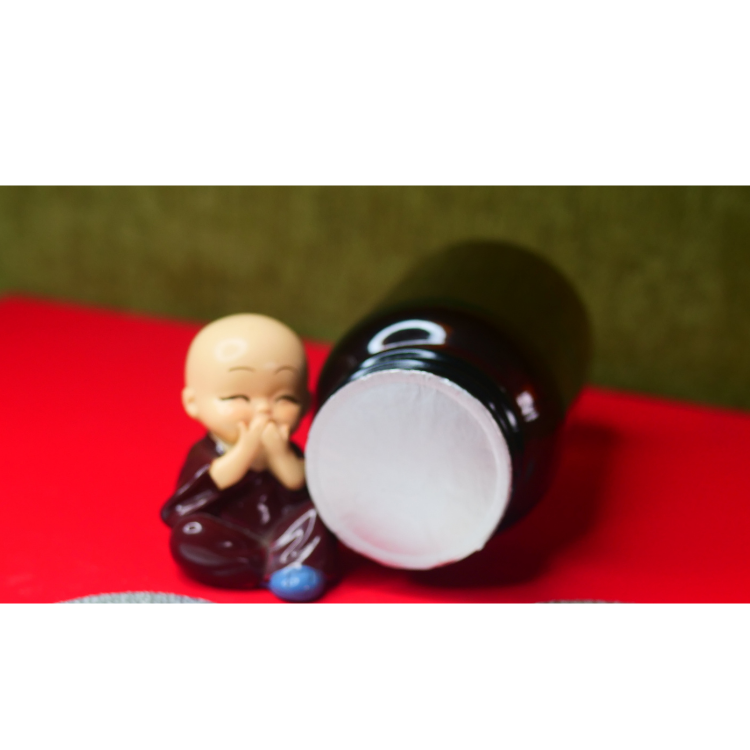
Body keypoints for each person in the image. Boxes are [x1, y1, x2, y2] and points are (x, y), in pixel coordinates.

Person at [161, 313, 338, 602]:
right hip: (230, 534)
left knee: (320, 513)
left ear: (306, 403)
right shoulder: (205, 453)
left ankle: (294, 563)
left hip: (284, 528)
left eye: (284, 398)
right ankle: (265, 567)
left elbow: (297, 482)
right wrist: (245, 450)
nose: (263, 410)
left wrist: (279, 453)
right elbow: (204, 488)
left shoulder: (287, 449)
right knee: (190, 533)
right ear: (193, 403)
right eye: (238, 398)